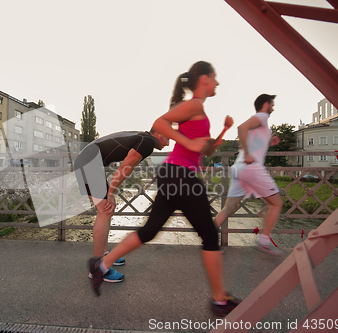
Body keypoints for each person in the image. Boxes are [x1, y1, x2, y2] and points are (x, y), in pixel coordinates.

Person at [88, 61, 241, 317]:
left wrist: (224, 130)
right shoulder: (195, 104)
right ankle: (219, 300)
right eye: (215, 78)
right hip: (181, 176)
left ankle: (101, 265)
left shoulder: (200, 111)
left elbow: (207, 148)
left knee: (149, 231)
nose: (217, 83)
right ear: (203, 79)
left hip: (173, 176)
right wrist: (187, 144)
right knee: (210, 235)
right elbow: (159, 123)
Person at [74, 130, 169, 282]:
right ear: (158, 133)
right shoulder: (148, 142)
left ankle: (105, 255)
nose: (168, 143)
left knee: (107, 211)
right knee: (105, 211)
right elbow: (125, 167)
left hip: (90, 161)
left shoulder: (143, 138)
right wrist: (111, 193)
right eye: (167, 138)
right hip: (89, 162)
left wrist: (111, 192)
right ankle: (98, 268)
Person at [214, 94, 284, 256]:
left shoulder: (261, 123)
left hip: (239, 168)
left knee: (229, 207)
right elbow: (241, 128)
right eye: (272, 104)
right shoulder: (262, 116)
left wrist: (269, 143)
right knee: (277, 203)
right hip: (251, 168)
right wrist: (246, 153)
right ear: (266, 104)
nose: (273, 107)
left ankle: (208, 240)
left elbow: (254, 143)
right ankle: (264, 241)